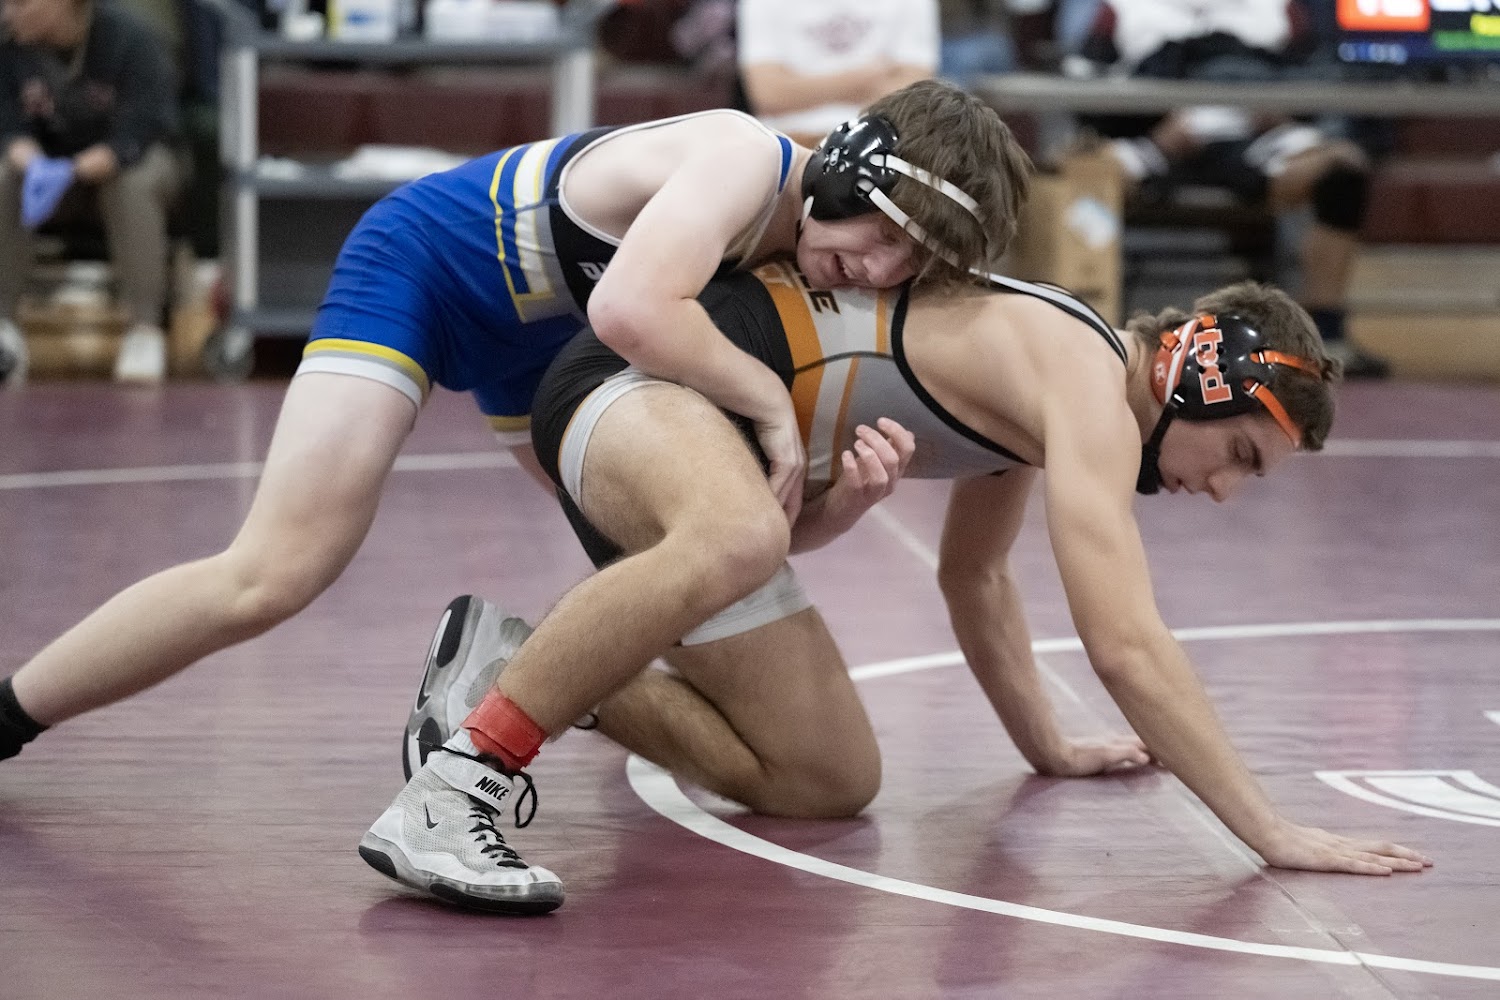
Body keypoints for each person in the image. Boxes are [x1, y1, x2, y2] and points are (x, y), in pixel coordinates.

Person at [0, 83, 1031, 791]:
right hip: (429, 269)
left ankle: (507, 669)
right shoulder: (740, 158)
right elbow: (628, 307)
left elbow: (751, 528)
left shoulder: (796, 269)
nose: (877, 273)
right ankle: (11, 713)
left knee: (679, 549)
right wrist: (765, 396)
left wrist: (840, 504)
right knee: (275, 571)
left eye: (909, 266)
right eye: (883, 235)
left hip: (549, 348)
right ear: (847, 172)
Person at [359, 264, 1431, 914]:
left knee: (826, 776)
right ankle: (461, 783)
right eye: (1240, 455)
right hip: (637, 390)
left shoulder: (1051, 398)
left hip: (701, 441)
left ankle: (513, 663)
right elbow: (1126, 644)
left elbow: (977, 577)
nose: (1225, 492)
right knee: (738, 534)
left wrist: (1049, 746)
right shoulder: (1088, 385)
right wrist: (1270, 830)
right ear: (1198, 372)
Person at [1072, 0, 1391, 379]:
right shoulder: (1121, 8)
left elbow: (1320, 78)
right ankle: (1084, 328)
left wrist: (1284, 111)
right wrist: (1149, 123)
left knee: (1342, 169)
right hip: (1156, 139)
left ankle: (1326, 331)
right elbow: (1080, 86)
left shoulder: (1280, 8)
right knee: (1080, 176)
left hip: (1258, 138)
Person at [0, 0, 185, 384]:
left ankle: (144, 330)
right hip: (50, 169)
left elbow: (142, 129)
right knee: (6, 177)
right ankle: (3, 330)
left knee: (132, 183)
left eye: (20, 3)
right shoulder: (9, 45)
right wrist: (34, 165)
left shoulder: (132, 38)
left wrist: (74, 169)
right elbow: (8, 126)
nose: (8, 13)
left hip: (128, 162)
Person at [736, 0, 941, 149]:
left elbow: (915, 95)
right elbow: (767, 95)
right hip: (790, 145)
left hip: (887, 145)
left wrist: (799, 87)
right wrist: (861, 80)